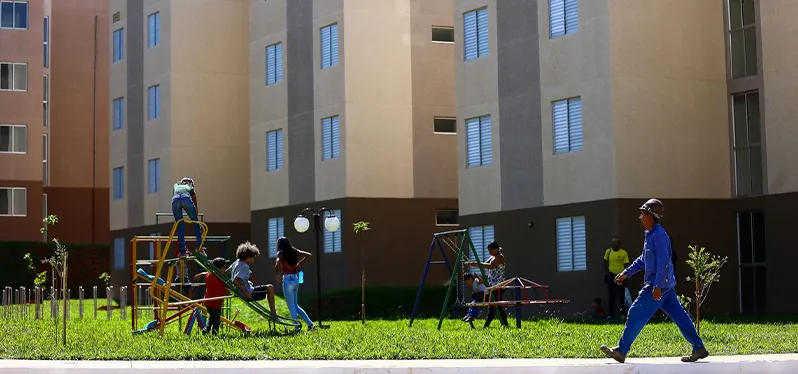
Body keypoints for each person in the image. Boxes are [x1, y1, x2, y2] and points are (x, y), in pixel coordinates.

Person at [600, 199, 709, 363]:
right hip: (666, 287)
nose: (640, 217)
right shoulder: (650, 235)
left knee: (635, 312)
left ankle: (621, 351)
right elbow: (644, 259)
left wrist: (657, 285)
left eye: (643, 214)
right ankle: (698, 347)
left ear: (652, 216)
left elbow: (665, 261)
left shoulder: (659, 235)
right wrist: (626, 273)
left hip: (657, 286)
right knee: (680, 316)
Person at [275, 237, 316, 331]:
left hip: (287, 279)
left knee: (291, 306)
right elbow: (309, 255)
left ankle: (296, 327)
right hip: (295, 278)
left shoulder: (280, 254)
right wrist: (299, 263)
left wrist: (277, 274)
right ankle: (310, 325)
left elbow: (277, 264)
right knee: (295, 305)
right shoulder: (294, 251)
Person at [464, 241, 508, 328]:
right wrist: (473, 263)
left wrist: (474, 264)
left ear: (496, 249)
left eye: (491, 250)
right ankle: (488, 325)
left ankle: (501, 325)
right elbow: (483, 264)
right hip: (492, 286)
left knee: (497, 307)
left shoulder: (500, 257)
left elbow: (488, 266)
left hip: (498, 286)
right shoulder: (493, 257)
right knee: (493, 306)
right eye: (489, 251)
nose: (489, 253)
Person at [229, 242, 277, 318]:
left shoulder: (236, 262)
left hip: (241, 292)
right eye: (252, 257)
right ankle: (273, 314)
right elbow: (235, 280)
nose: (253, 260)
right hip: (248, 293)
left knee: (267, 287)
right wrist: (246, 293)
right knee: (270, 288)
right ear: (247, 257)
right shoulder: (245, 266)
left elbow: (228, 272)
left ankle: (273, 313)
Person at [193, 257, 230, 335]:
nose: (225, 270)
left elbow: (204, 274)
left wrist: (199, 274)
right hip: (215, 303)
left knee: (212, 317)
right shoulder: (220, 278)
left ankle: (206, 329)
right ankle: (214, 334)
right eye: (224, 268)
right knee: (216, 321)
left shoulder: (209, 275)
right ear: (219, 268)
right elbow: (227, 286)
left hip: (208, 301)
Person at [172, 177, 205, 257]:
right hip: (185, 198)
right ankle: (199, 247)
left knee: (180, 225)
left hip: (175, 200)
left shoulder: (176, 185)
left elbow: (176, 193)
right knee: (195, 223)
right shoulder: (189, 186)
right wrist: (196, 208)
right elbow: (194, 197)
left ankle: (182, 252)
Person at [604, 238, 630, 320]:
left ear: (620, 244)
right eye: (614, 243)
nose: (615, 245)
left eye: (617, 243)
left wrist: (625, 276)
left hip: (621, 276)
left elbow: (626, 264)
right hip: (611, 275)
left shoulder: (623, 253)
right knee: (611, 295)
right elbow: (605, 262)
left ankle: (622, 314)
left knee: (621, 296)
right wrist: (608, 271)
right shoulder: (608, 252)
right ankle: (610, 315)